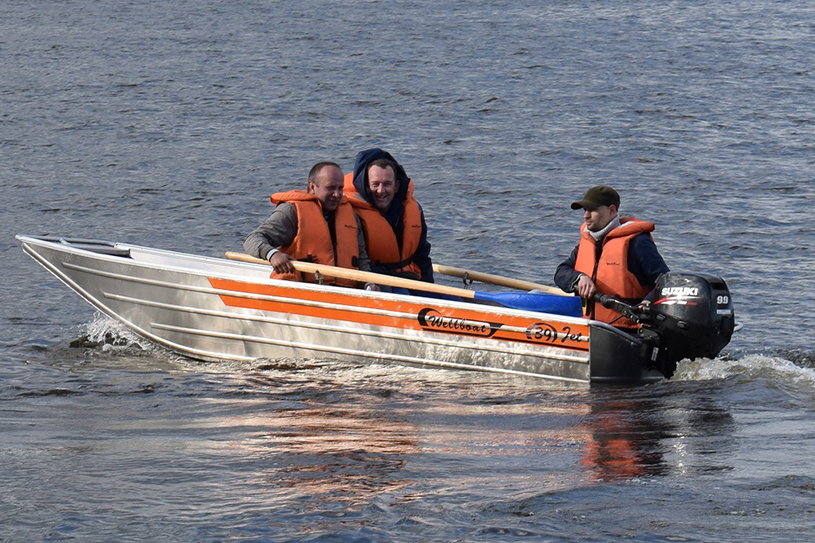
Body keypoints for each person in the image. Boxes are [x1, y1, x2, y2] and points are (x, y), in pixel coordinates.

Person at [243, 161, 374, 288]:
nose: (337, 194)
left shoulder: (351, 215)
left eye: (340, 188)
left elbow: (361, 259)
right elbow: (253, 239)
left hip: (344, 289)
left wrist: (368, 284)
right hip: (303, 288)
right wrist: (273, 255)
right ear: (312, 187)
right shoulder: (292, 211)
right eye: (331, 188)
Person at [554, 185, 669, 328]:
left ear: (612, 210)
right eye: (585, 210)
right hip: (588, 326)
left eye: (592, 210)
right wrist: (579, 278)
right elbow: (561, 272)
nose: (585, 216)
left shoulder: (637, 242)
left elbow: (665, 282)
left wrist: (647, 302)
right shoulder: (588, 240)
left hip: (625, 329)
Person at [342, 148, 434, 283]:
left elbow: (422, 256)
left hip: (411, 279)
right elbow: (359, 262)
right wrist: (397, 279)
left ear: (396, 186)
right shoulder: (351, 214)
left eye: (387, 184)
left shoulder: (414, 209)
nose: (381, 190)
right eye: (375, 184)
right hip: (376, 283)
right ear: (365, 185)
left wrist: (430, 288)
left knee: (450, 300)